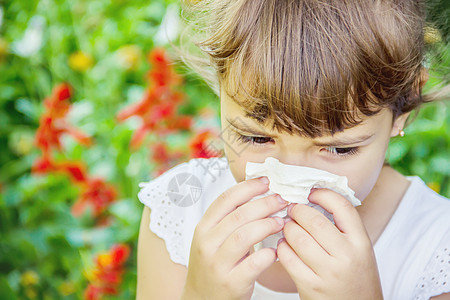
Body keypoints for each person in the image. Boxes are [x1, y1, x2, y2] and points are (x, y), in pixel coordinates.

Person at [136, 0, 450, 299]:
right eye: (256, 138)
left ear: (403, 106)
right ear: (221, 87)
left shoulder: (435, 247)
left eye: (338, 150)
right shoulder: (179, 211)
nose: (288, 182)